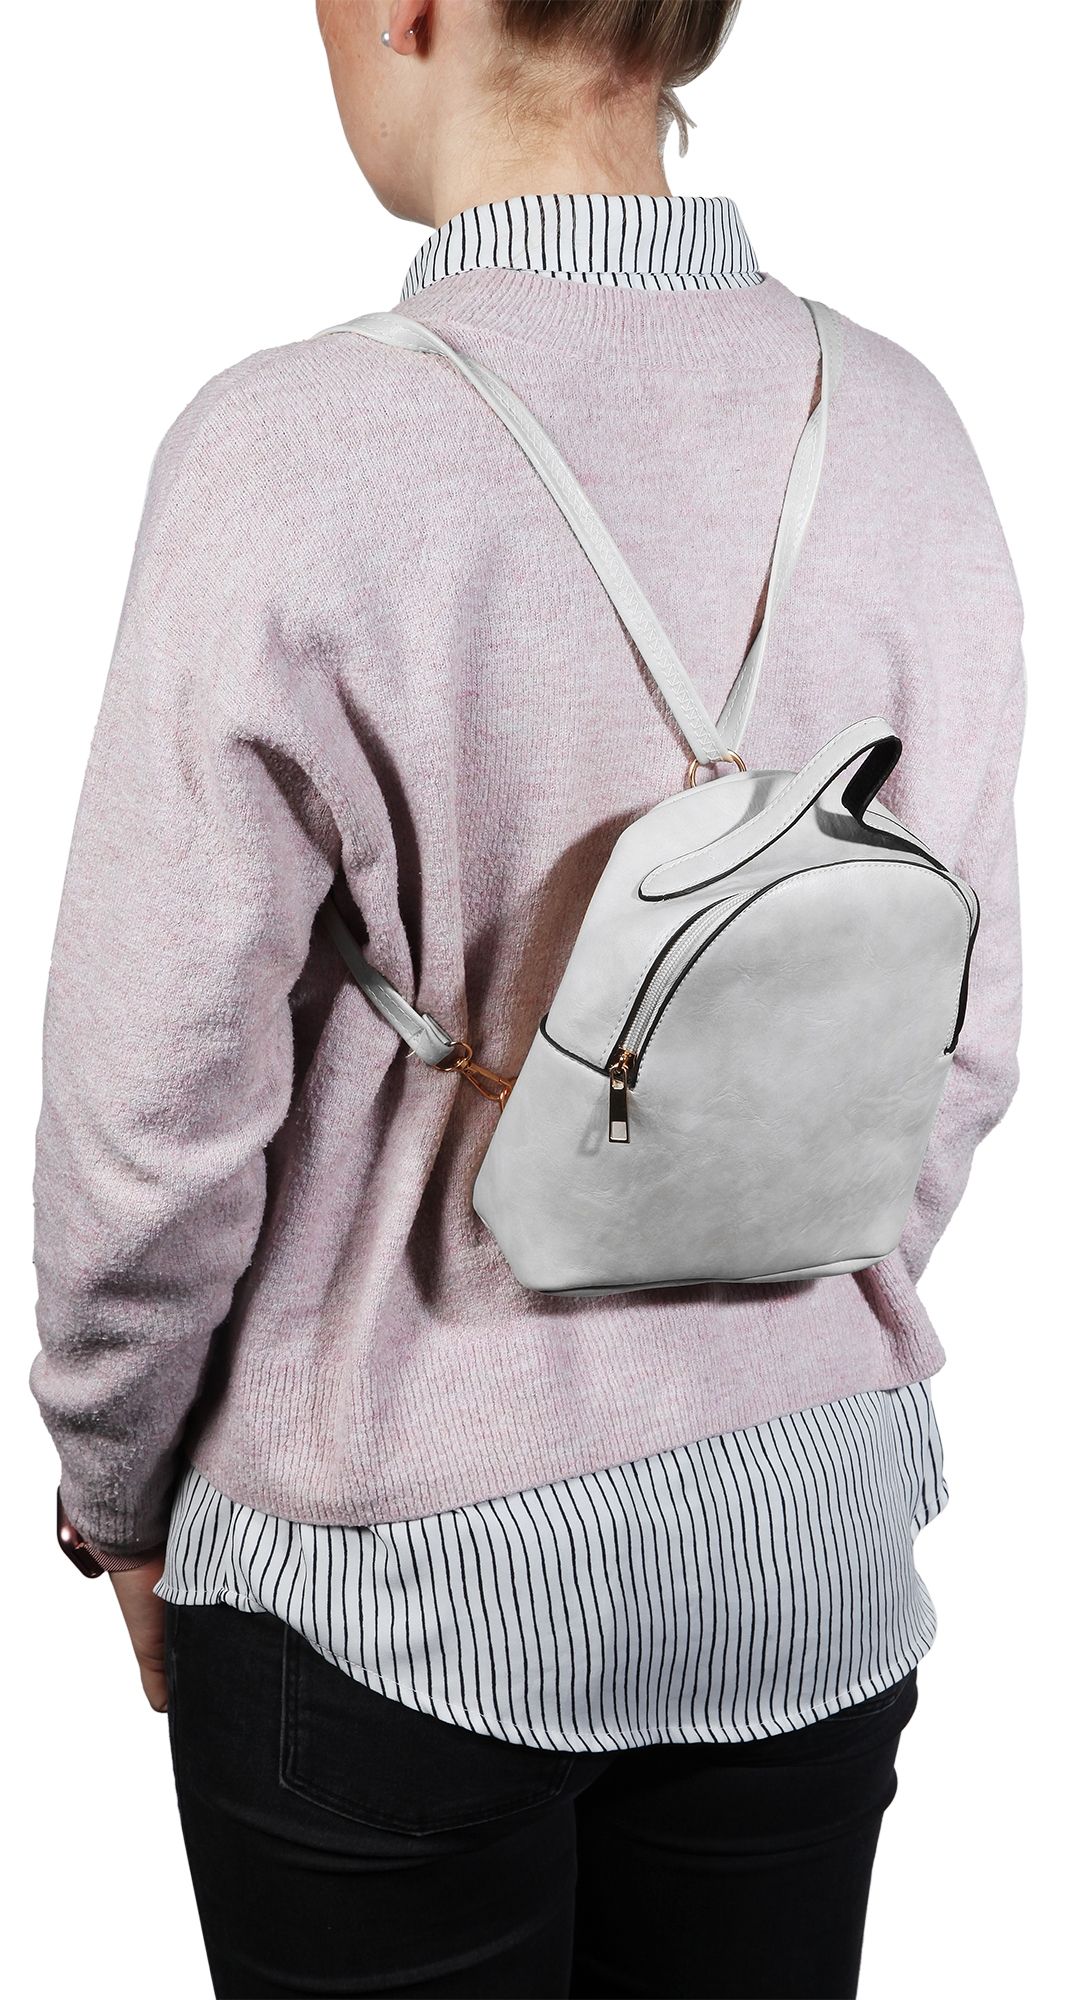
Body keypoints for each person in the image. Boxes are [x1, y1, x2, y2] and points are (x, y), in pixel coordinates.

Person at [30, 2, 1024, 1996]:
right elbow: (961, 1039)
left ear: (406, 7)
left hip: (389, 1580)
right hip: (811, 1543)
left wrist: (118, 1489)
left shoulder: (287, 452)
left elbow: (154, 1110)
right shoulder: (906, 428)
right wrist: (755, 1264)